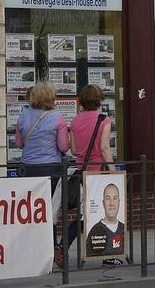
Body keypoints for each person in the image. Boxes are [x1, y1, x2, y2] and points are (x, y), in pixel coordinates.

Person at [60, 85, 116, 266]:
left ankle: (64, 246)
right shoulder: (104, 120)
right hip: (98, 173)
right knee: (101, 214)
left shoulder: (75, 121)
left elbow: (74, 150)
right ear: (99, 100)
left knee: (88, 214)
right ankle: (106, 255)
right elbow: (105, 148)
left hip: (82, 172)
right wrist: (114, 171)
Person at [15, 82, 69, 260]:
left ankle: (29, 249)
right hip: (50, 169)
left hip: (27, 169)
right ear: (50, 97)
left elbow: (19, 143)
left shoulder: (23, 115)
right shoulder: (57, 117)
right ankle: (51, 249)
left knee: (30, 210)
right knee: (48, 211)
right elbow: (63, 146)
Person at [86, 183, 124, 257]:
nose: (112, 203)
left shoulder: (123, 228)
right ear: (103, 203)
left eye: (115, 198)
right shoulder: (95, 230)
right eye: (108, 198)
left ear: (119, 202)